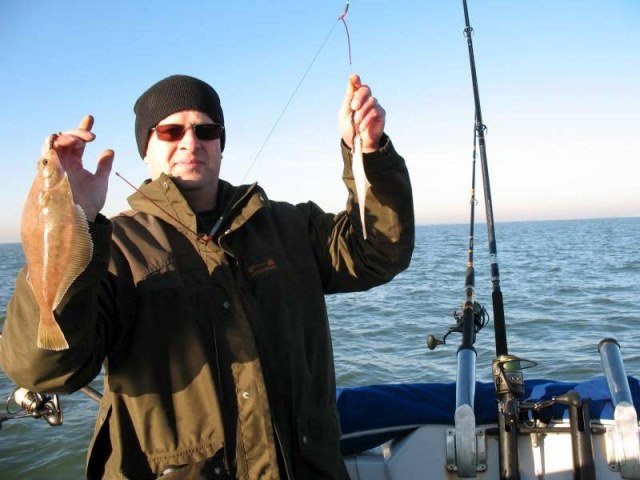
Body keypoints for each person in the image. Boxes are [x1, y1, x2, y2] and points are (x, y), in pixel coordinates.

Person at [0, 74, 414, 479]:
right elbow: (45, 371)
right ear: (146, 146)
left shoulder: (290, 226)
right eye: (170, 130)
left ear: (221, 142)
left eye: (206, 129)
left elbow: (379, 252)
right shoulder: (115, 248)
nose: (190, 142)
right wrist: (73, 224)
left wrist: (368, 151)